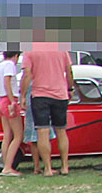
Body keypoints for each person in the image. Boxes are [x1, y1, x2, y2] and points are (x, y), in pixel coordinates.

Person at [21, 35, 74, 176]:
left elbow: (27, 75)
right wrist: (70, 89)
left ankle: (48, 168)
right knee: (61, 131)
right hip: (60, 94)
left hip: (40, 95)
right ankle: (65, 166)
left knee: (42, 133)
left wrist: (23, 95)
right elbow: (69, 71)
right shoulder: (61, 49)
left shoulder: (30, 51)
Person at [0, 43, 25, 176]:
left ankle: (5, 164)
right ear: (16, 55)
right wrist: (12, 101)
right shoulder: (10, 65)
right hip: (8, 99)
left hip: (0, 100)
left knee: (7, 134)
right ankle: (8, 167)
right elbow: (7, 81)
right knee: (18, 135)